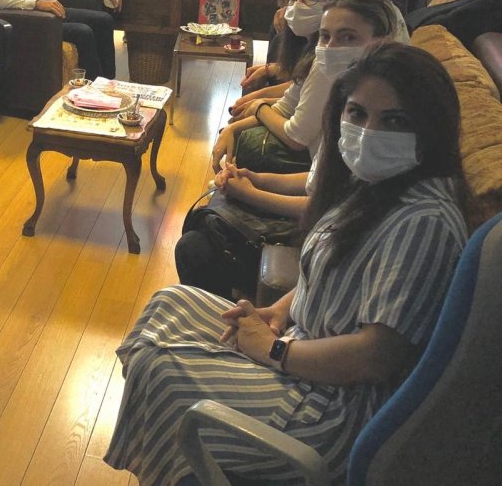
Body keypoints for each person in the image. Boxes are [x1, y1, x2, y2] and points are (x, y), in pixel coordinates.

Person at [106, 42, 470, 485]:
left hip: (330, 409)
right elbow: (329, 269)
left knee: (161, 368)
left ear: (431, 129)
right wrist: (279, 311)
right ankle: (181, 463)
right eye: (357, 114)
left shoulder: (424, 221)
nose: (368, 132)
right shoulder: (372, 184)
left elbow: (376, 357)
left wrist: (273, 350)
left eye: (394, 121)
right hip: (304, 350)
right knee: (168, 304)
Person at [179, 0, 398, 298]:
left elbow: (328, 202)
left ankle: (226, 315)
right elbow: (319, 178)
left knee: (196, 244)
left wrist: (253, 193)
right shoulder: (347, 96)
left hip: (326, 237)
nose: (331, 48)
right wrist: (257, 179)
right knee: (203, 226)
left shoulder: (376, 115)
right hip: (320, 225)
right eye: (325, 37)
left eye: (348, 37)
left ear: (383, 42)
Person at [212, 0, 352, 170]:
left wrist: (259, 107)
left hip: (322, 165)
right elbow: (287, 105)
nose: (298, 4)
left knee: (250, 145)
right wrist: (232, 128)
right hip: (314, 162)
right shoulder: (311, 50)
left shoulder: (328, 60)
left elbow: (297, 136)